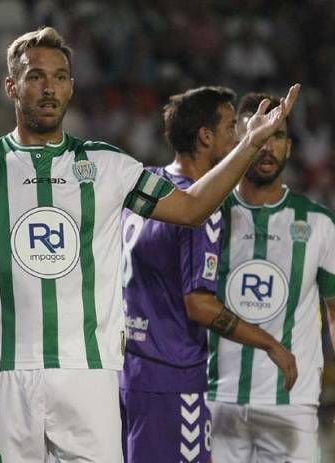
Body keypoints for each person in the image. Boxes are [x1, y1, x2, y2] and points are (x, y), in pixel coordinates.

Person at [0, 27, 300, 462]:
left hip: (89, 375)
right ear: (11, 87)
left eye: (59, 77)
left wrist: (248, 145)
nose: (49, 88)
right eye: (35, 76)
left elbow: (192, 208)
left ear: (72, 87)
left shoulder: (109, 165)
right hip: (6, 372)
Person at [119, 87, 297, 463]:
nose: (237, 137)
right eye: (232, 127)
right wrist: (270, 344)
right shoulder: (202, 210)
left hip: (126, 376)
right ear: (206, 136)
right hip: (172, 378)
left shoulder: (145, 186)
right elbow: (199, 305)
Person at [207, 92, 335, 462]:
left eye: (278, 137)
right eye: (259, 135)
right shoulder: (209, 211)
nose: (268, 147)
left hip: (291, 404)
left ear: (289, 148)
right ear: (240, 143)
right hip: (216, 398)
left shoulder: (318, 222)